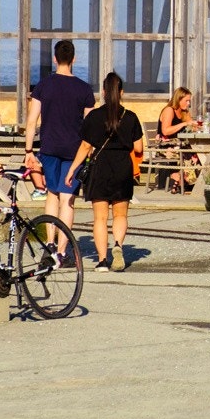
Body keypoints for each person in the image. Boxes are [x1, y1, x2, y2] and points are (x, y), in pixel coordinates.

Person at [67, 72, 144, 273]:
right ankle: (117, 245)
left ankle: (102, 261)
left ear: (102, 92)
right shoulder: (131, 117)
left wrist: (72, 169)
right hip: (122, 167)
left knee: (100, 218)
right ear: (122, 93)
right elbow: (138, 149)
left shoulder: (93, 116)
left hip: (100, 167)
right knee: (120, 214)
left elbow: (85, 146)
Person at [24, 40, 95, 243]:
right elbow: (89, 125)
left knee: (52, 195)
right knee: (67, 199)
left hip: (49, 146)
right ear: (74, 59)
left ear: (55, 59)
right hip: (75, 150)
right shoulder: (84, 89)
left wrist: (29, 150)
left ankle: (50, 244)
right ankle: (63, 250)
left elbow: (32, 121)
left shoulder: (43, 86)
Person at [155, 87, 198, 194]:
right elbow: (165, 131)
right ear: (178, 99)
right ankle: (184, 180)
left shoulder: (184, 112)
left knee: (196, 152)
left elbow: (193, 126)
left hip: (178, 145)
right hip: (166, 146)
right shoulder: (169, 110)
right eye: (186, 101)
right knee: (187, 154)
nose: (188, 103)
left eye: (189, 101)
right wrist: (184, 124)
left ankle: (179, 178)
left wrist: (198, 126)